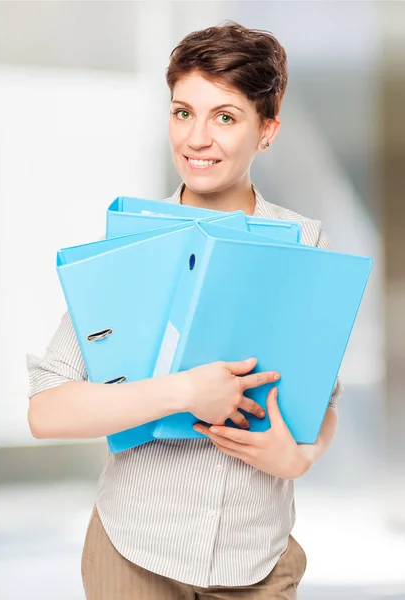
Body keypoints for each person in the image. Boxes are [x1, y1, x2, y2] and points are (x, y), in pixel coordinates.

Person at [26, 21, 342, 600]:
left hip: (256, 560)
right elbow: (47, 411)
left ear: (266, 130)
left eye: (225, 117)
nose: (197, 138)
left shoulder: (304, 242)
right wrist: (184, 393)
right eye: (182, 112)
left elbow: (319, 395)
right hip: (133, 550)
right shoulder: (129, 244)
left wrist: (299, 457)